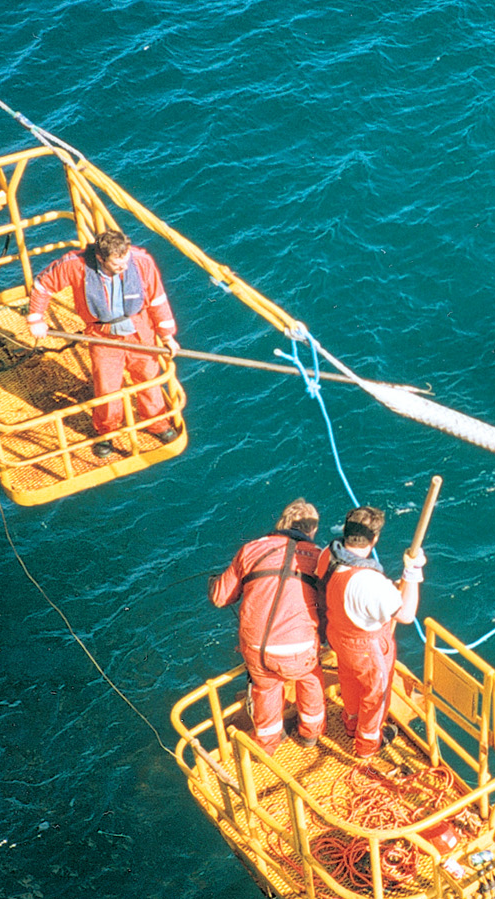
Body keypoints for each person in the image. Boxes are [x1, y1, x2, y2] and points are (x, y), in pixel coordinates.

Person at [27, 228, 180, 459]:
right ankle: (107, 432)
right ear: (100, 258)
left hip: (139, 331)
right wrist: (36, 318)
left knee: (149, 378)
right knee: (107, 388)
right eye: (118, 265)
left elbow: (158, 299)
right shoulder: (74, 265)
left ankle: (158, 424)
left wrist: (167, 335)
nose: (124, 267)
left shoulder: (142, 263)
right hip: (101, 336)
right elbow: (43, 285)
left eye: (126, 261)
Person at [209, 499, 328, 752]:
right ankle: (310, 734)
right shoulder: (318, 557)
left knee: (265, 689)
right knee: (310, 678)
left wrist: (214, 583)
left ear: (281, 523)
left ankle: (267, 744)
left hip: (257, 649)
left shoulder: (251, 549)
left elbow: (220, 597)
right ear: (311, 531)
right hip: (300, 651)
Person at [316, 506, 424, 759]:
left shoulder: (326, 555)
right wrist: (413, 571)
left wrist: (388, 591)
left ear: (345, 531)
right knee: (375, 695)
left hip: (337, 634)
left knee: (349, 679)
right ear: (374, 539)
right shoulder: (368, 582)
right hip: (366, 648)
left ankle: (351, 723)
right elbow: (406, 614)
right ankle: (367, 746)